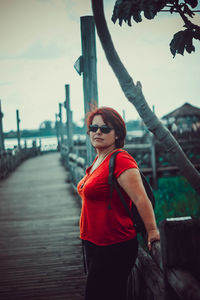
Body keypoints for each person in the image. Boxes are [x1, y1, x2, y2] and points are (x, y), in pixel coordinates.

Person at [77, 107, 160, 300]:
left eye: (105, 129)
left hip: (114, 246)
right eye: (93, 127)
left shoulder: (121, 160)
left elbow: (141, 199)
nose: (98, 132)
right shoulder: (98, 160)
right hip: (94, 244)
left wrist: (153, 231)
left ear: (117, 135)